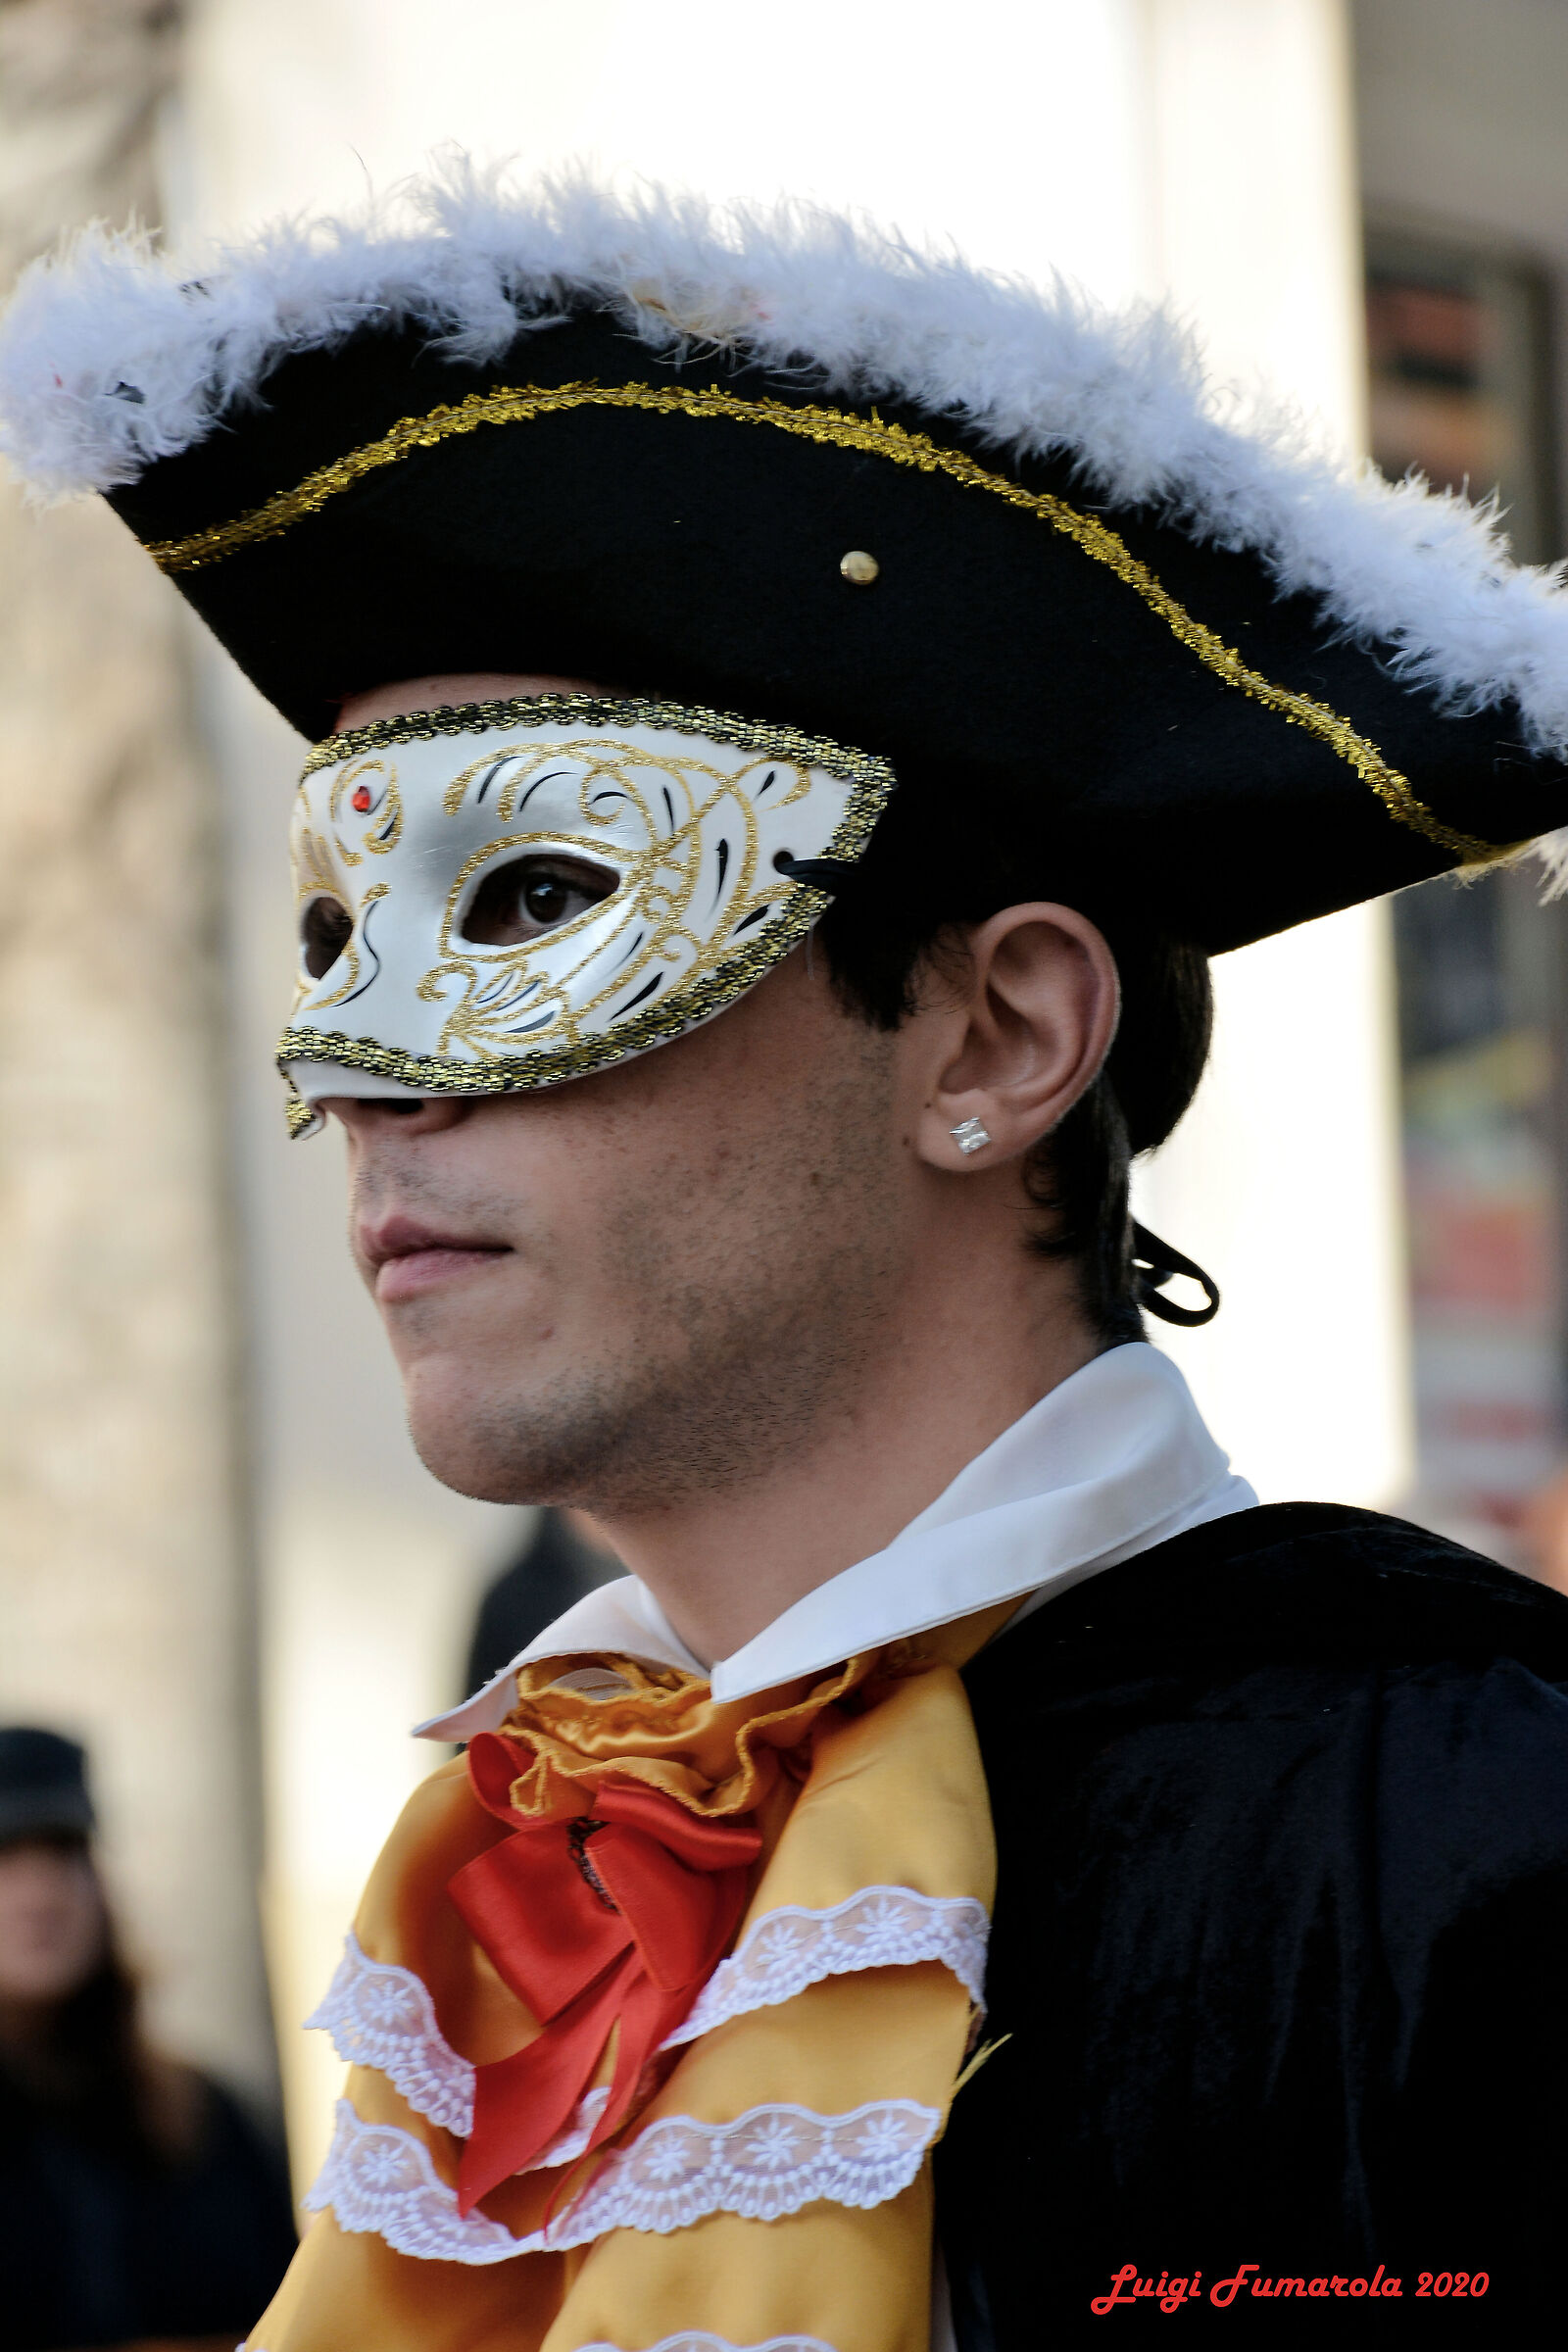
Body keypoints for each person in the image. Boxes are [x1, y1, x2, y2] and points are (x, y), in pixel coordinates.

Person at [4, 170, 1568, 2346]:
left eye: (535, 905)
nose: (365, 1083)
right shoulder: (517, 1899)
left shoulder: (1480, 1840)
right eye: (336, 943)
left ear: (998, 1034)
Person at [0, 1727, 297, 2350]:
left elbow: (293, 2324)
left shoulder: (200, 2120)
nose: (40, 1893)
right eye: (5, 1860)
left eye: (64, 1853)